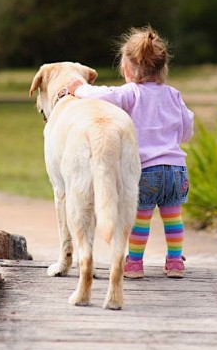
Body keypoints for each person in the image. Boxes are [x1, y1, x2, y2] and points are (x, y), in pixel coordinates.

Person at [67, 25, 194, 278]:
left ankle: (134, 264)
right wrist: (172, 140)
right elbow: (187, 127)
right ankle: (175, 263)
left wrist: (78, 88)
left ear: (127, 68)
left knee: (141, 220)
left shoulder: (131, 93)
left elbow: (102, 95)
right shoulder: (174, 95)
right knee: (173, 218)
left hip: (146, 170)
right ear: (163, 67)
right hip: (177, 170)